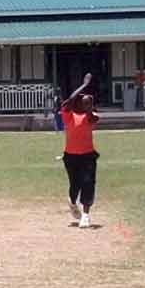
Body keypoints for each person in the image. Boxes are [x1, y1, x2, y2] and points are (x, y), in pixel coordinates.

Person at [61, 75, 100, 227]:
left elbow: (92, 118)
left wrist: (89, 107)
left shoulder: (92, 116)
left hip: (88, 156)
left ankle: (86, 215)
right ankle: (72, 202)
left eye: (89, 102)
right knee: (74, 185)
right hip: (70, 156)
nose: (85, 102)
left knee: (88, 183)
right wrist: (83, 86)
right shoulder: (68, 116)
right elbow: (69, 100)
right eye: (83, 100)